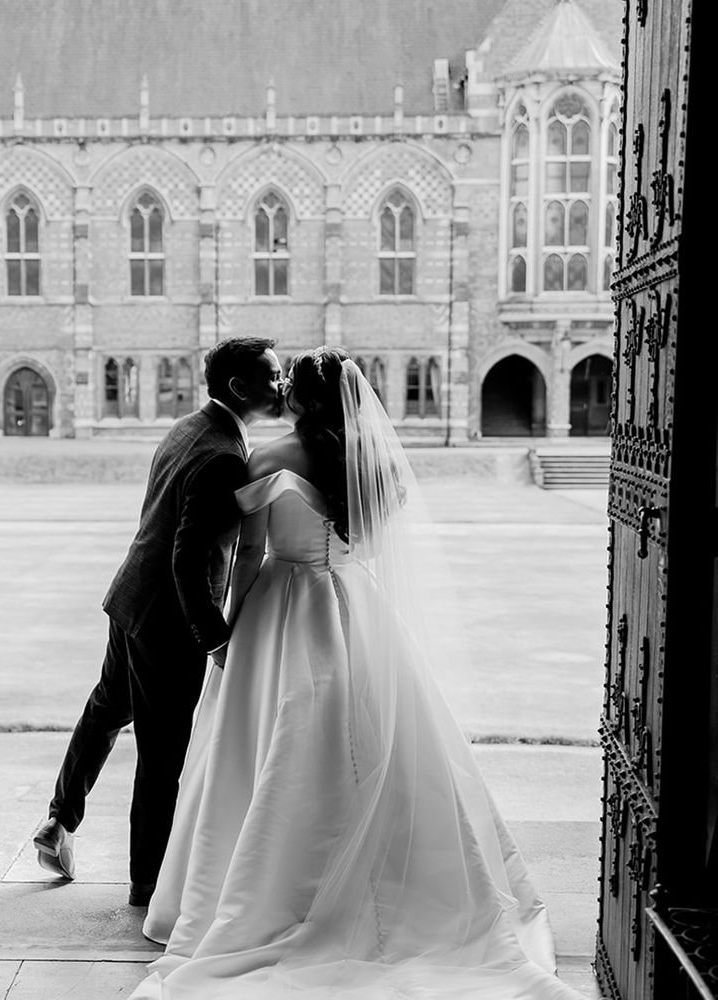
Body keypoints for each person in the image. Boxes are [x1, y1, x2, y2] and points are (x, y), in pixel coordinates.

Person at [129, 347, 585, 999]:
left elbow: (251, 553)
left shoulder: (269, 459)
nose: (281, 388)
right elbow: (366, 546)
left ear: (306, 399)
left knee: (267, 747)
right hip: (356, 606)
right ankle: (398, 888)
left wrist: (227, 637)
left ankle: (268, 891)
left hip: (281, 608)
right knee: (381, 745)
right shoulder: (371, 465)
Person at [34, 336, 283, 907]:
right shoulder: (222, 455)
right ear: (240, 388)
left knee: (107, 709)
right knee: (163, 755)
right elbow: (187, 556)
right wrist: (213, 635)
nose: (281, 384)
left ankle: (58, 822)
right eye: (271, 376)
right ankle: (147, 884)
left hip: (131, 599)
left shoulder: (187, 427)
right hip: (168, 622)